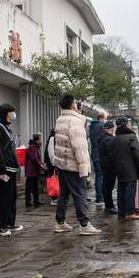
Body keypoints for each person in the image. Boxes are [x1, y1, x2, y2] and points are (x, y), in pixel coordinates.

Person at [53, 95, 101, 235]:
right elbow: (79, 147)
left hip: (62, 163)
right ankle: (84, 224)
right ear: (73, 105)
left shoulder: (60, 119)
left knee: (64, 194)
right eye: (75, 102)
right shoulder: (74, 122)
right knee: (80, 194)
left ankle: (60, 222)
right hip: (74, 164)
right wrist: (84, 167)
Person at [0, 104, 24, 236]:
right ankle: (1, 225)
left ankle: (10, 222)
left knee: (11, 198)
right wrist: (0, 170)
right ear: (6, 113)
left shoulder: (7, 129)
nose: (14, 115)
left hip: (12, 169)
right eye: (12, 112)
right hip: (4, 170)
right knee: (2, 198)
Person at [113, 117, 139, 221]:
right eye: (129, 123)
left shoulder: (115, 138)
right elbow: (138, 154)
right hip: (130, 168)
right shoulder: (131, 137)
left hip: (119, 168)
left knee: (121, 190)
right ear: (126, 125)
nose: (130, 125)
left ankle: (121, 213)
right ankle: (130, 212)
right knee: (130, 190)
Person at [98, 121, 116, 214]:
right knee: (108, 186)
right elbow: (111, 154)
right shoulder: (108, 139)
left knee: (106, 185)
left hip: (104, 165)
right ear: (111, 129)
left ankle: (108, 205)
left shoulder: (102, 137)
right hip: (109, 166)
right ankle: (110, 206)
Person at [89, 111, 106, 207]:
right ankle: (99, 198)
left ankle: (98, 197)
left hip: (94, 154)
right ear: (102, 118)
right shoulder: (101, 126)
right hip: (99, 154)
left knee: (98, 176)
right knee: (100, 177)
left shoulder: (92, 126)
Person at [24, 133, 45, 207]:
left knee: (36, 186)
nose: (41, 140)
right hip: (31, 170)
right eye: (40, 138)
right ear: (37, 139)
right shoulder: (32, 147)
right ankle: (28, 200)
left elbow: (38, 158)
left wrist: (42, 164)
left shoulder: (37, 147)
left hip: (35, 170)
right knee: (29, 186)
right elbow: (34, 158)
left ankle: (36, 200)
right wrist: (41, 165)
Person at [44, 128, 58, 206]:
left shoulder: (52, 138)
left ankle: (55, 197)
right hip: (52, 164)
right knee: (53, 180)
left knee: (54, 180)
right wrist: (54, 163)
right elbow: (51, 152)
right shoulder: (52, 138)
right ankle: (54, 198)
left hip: (52, 164)